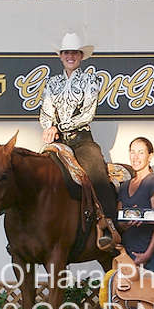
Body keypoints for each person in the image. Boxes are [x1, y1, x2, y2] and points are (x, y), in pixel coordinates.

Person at [40, 32, 117, 248]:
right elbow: (46, 111)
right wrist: (48, 127)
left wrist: (58, 127)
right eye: (66, 52)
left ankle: (110, 225)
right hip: (58, 141)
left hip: (81, 139)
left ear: (81, 56)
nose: (70, 56)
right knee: (39, 173)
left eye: (74, 52)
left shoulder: (91, 80)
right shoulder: (52, 83)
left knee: (97, 174)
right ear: (60, 56)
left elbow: (87, 115)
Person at [117, 137, 154, 272]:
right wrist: (126, 223)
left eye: (141, 152)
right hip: (126, 255)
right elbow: (119, 223)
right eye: (132, 152)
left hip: (148, 256)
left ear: (150, 156)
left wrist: (147, 254)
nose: (135, 157)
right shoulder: (124, 186)